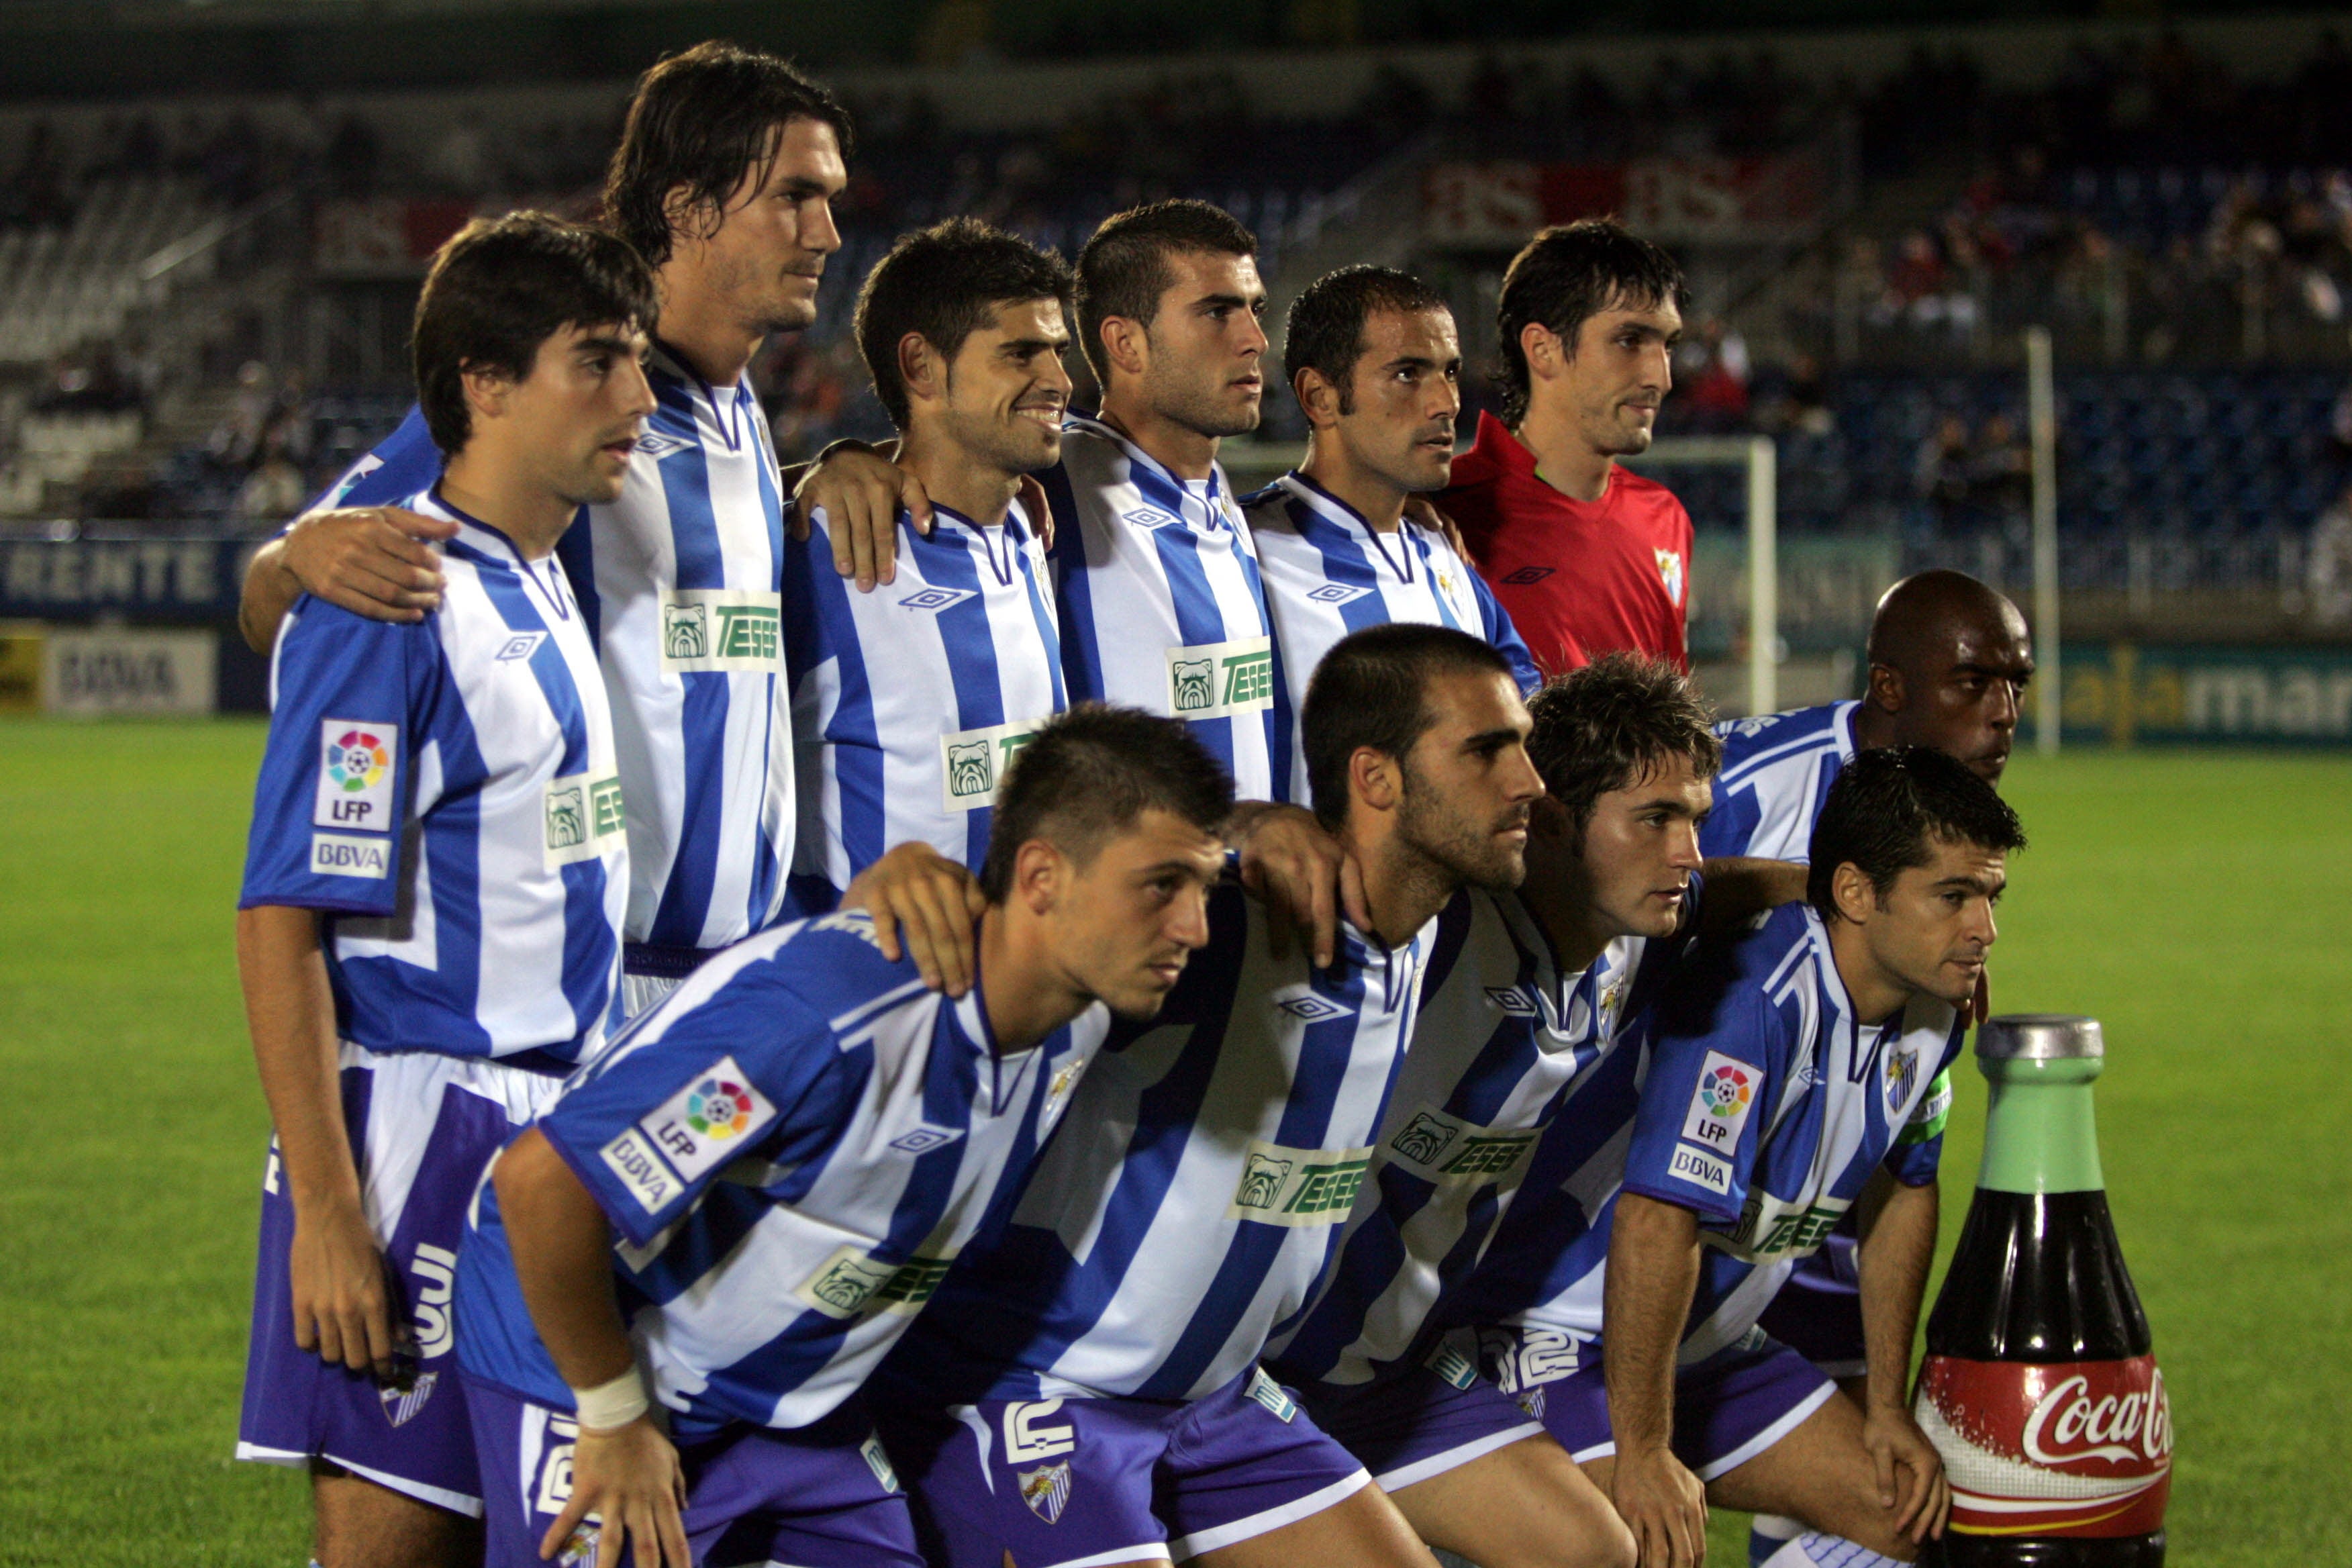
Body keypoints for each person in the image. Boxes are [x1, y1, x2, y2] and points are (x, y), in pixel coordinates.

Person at [231, 44, 965, 1012]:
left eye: (830, 199)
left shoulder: (735, 408)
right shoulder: (561, 402)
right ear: (689, 207)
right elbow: (291, 585)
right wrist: (291, 558)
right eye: (794, 197)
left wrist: (830, 471)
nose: (828, 231)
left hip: (733, 974)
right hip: (598, 979)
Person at [449, 705, 1234, 1568]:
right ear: (1042, 876)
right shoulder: (828, 1019)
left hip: (791, 1410)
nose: (1194, 926)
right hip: (597, 1375)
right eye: (1162, 885)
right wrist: (611, 1411)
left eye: (1205, 886)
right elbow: (542, 1183)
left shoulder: (1077, 1017)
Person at [872, 623, 1545, 1568]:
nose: (1528, 781)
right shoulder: (1215, 922)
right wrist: (1232, 834)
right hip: (1047, 1390)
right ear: (1376, 778)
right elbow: (1029, 919)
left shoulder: (1440, 934)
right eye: (1487, 750)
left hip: (1218, 1402)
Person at [232, 213, 655, 1568]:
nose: (635, 398)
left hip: (554, 1131)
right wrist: (329, 1215)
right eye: (597, 362)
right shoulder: (388, 596)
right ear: (483, 382)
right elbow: (282, 914)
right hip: (421, 1141)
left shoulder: (538, 574)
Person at [1270, 654, 1805, 1568]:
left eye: (1694, 821)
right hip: (1269, 1363)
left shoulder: (1620, 939)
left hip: (1392, 1364)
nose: (1686, 853)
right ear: (1552, 821)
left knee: (1598, 1550)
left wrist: (1842, 895)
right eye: (1656, 820)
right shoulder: (1440, 932)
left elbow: (1728, 888)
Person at [1463, 746, 2025, 1568]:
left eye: (1990, 895)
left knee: (1904, 1521)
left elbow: (1904, 1189)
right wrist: (1646, 1447)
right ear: (1856, 893)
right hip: (1570, 1334)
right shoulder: (1754, 1001)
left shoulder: (1937, 1014)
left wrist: (1886, 1405)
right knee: (1641, 1547)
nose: (1984, 929)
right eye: (1953, 896)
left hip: (1706, 1350)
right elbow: (1660, 1218)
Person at [1698, 567, 2030, 1565]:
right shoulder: (1758, 779)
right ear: (1892, 689)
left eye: (2018, 684)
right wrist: (1805, 900)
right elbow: (1627, 884)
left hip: (1828, 1173)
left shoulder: (1948, 807)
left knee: (1872, 1483)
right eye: (1975, 683)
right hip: (1672, 1170)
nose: (2005, 712)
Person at [783, 219, 1073, 911]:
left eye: (1059, 351)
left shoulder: (1030, 535)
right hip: (869, 997)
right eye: (1021, 353)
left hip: (1017, 1001)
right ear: (920, 367)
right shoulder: (819, 550)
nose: (1059, 379)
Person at [1244, 262, 1540, 804]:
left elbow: (1526, 706)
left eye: (1449, 372)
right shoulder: (1243, 553)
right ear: (1319, 397)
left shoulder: (1443, 555)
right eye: (1408, 373)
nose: (1446, 402)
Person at [1438, 219, 1694, 677]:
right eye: (1629, 341)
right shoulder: (1440, 515)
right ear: (1543, 349)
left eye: (1668, 345)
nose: (1661, 377)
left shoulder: (1664, 517)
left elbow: (1672, 726)